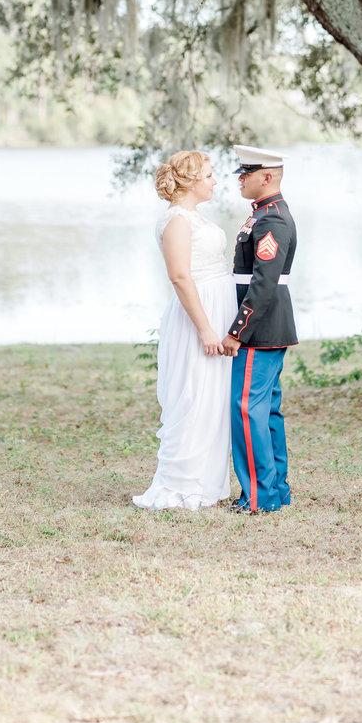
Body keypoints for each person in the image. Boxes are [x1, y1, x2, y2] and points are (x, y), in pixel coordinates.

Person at [132, 151, 236, 511]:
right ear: (191, 181)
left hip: (217, 311)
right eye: (208, 175)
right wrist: (206, 329)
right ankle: (180, 486)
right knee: (193, 397)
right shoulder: (176, 220)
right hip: (197, 318)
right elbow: (179, 276)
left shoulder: (195, 218)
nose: (214, 181)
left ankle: (206, 482)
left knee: (214, 400)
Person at [222, 144, 298, 514]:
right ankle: (275, 490)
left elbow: (263, 284)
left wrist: (238, 330)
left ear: (267, 177)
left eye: (246, 173)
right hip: (268, 326)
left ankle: (259, 497)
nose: (240, 178)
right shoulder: (264, 215)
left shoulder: (272, 220)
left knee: (247, 409)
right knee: (265, 409)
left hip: (259, 329)